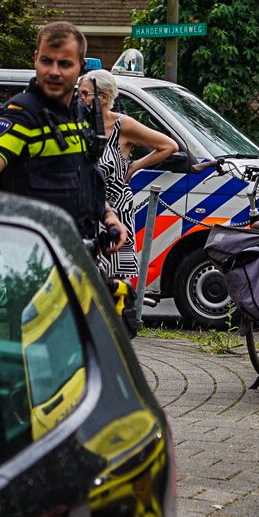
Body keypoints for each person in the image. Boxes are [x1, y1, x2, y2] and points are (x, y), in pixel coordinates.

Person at [0, 21, 126, 257]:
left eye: (65, 64)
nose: (54, 72)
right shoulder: (20, 115)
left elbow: (86, 177)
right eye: (47, 61)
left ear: (81, 68)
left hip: (80, 258)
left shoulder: (81, 114)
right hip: (32, 265)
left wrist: (109, 216)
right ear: (35, 58)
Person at [77, 68, 179, 333]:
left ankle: (118, 327)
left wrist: (134, 167)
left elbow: (169, 146)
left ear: (103, 97)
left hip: (117, 210)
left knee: (117, 274)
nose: (80, 99)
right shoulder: (76, 124)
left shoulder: (123, 125)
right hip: (86, 209)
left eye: (85, 94)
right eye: (79, 93)